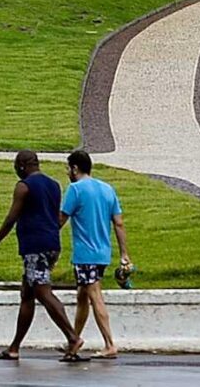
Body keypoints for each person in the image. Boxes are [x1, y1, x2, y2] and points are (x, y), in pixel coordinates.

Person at [0, 150, 72, 359]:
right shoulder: (54, 185)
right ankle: (14, 347)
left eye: (16, 165)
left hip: (35, 247)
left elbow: (11, 218)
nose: (15, 169)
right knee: (27, 294)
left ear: (22, 165)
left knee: (42, 292)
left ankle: (73, 337)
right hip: (52, 244)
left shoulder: (24, 187)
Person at [59, 147, 130, 359]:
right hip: (102, 253)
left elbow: (61, 220)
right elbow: (118, 223)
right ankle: (73, 341)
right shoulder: (108, 189)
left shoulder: (76, 190)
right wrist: (124, 254)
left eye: (68, 168)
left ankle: (109, 344)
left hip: (85, 254)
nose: (67, 173)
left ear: (75, 168)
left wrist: (45, 236)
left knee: (94, 295)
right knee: (82, 296)